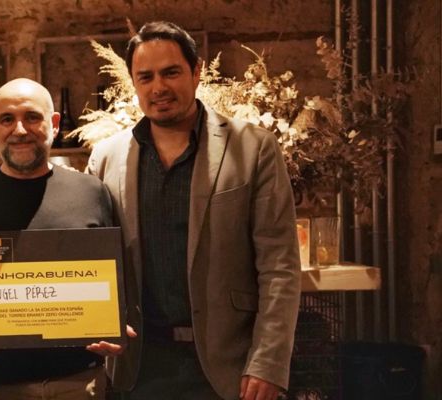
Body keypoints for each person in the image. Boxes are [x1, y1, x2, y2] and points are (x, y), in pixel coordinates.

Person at [86, 21, 301, 400]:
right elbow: (91, 260)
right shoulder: (106, 157)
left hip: (227, 367)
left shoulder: (254, 149)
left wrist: (267, 362)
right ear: (134, 83)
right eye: (146, 77)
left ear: (197, 71)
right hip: (138, 368)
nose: (158, 87)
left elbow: (279, 266)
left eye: (171, 72)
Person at [0, 78, 128, 400]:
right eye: (7, 119)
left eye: (32, 117)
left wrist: (116, 320)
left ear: (55, 123)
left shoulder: (92, 192)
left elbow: (117, 274)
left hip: (79, 380)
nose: (19, 130)